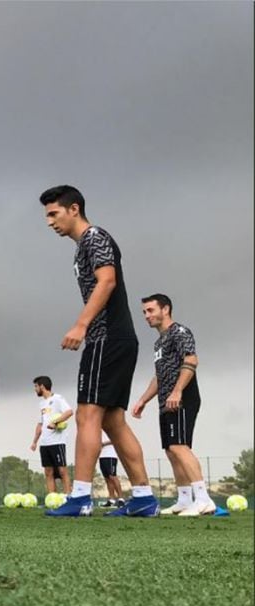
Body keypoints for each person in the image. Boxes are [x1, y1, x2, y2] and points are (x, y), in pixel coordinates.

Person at [40, 185, 158, 517]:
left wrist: (81, 325)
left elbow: (107, 281)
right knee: (114, 422)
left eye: (54, 213)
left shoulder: (95, 238)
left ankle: (79, 498)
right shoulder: (81, 249)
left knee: (87, 415)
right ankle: (145, 498)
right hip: (119, 340)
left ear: (73, 209)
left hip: (107, 338)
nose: (49, 222)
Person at [133, 294, 214, 516]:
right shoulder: (159, 342)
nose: (146, 316)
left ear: (165, 309)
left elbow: (191, 360)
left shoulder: (180, 332)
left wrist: (177, 391)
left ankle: (204, 500)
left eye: (150, 310)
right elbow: (159, 376)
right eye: (144, 312)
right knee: (171, 451)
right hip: (165, 401)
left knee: (180, 446)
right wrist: (143, 400)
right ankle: (185, 500)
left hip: (183, 398)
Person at [29, 376, 73, 495]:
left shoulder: (58, 398)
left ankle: (68, 497)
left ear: (42, 386)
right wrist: (34, 441)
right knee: (48, 472)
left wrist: (55, 422)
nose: (35, 389)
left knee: (62, 470)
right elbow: (40, 423)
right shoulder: (41, 404)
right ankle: (52, 498)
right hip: (45, 442)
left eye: (36, 386)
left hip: (57, 441)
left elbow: (69, 412)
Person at [99, 433, 124, 507]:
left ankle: (121, 499)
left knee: (112, 476)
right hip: (101, 456)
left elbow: (116, 439)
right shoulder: (99, 429)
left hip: (111, 455)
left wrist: (104, 443)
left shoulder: (110, 427)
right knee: (107, 478)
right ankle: (111, 500)